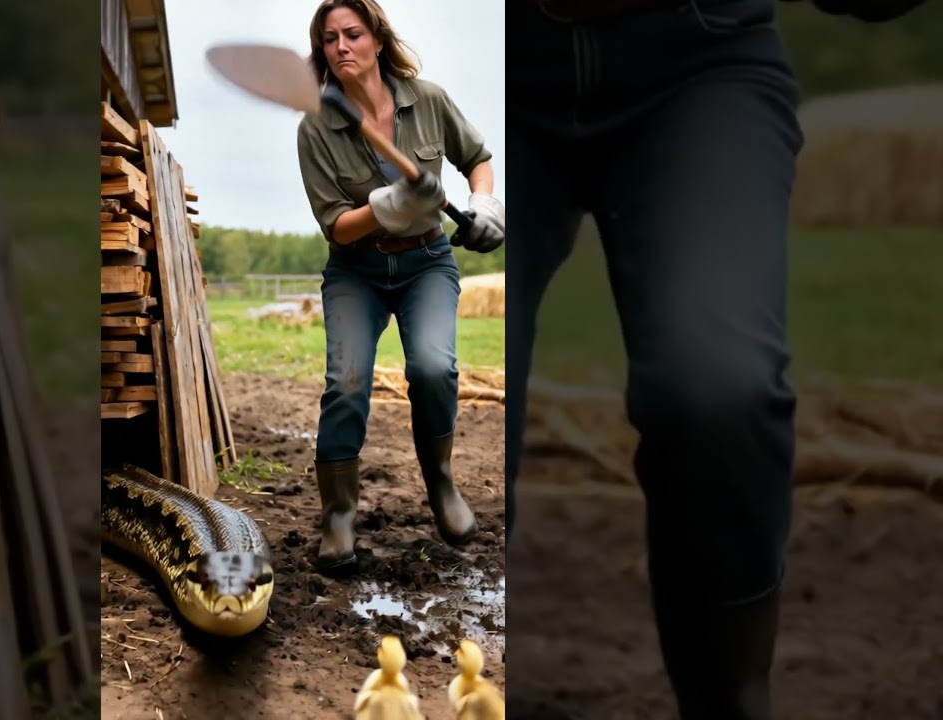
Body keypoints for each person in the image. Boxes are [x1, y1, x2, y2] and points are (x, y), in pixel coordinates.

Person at [507, 0, 930, 718]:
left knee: (717, 386)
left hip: (698, 63)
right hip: (498, 73)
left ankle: (730, 701)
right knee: (450, 381)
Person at [295, 0, 505, 576]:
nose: (342, 46)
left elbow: (478, 158)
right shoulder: (316, 126)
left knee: (435, 369)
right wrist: (386, 205)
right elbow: (337, 224)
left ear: (378, 40)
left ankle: (440, 483)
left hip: (427, 263)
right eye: (330, 38)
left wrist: (485, 204)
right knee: (347, 383)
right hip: (356, 270)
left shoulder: (427, 99)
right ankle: (338, 514)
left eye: (353, 34)